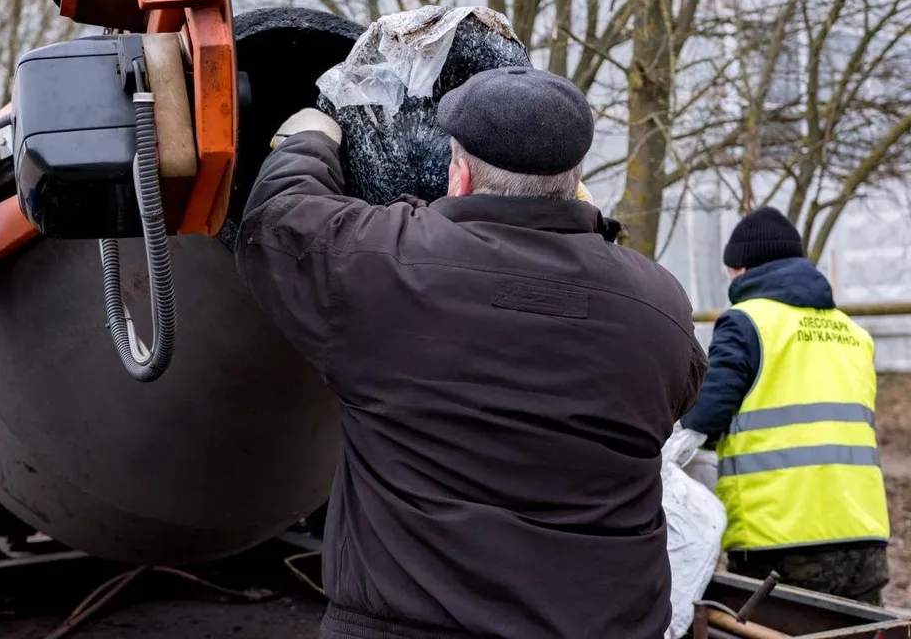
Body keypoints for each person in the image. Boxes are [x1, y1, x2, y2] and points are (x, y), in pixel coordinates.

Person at [236, 66, 708, 638]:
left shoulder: (382, 265)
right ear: (576, 179)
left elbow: (279, 224)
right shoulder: (659, 303)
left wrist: (306, 141)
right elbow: (682, 387)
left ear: (458, 174)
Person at [671, 206, 890, 604]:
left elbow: (706, 415)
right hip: (864, 535)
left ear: (743, 269)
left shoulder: (745, 322)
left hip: (780, 540)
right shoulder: (853, 334)